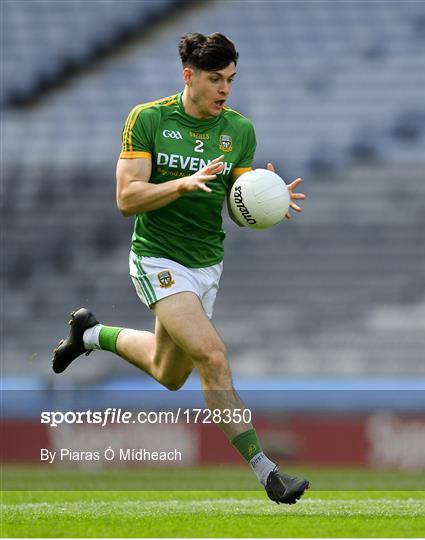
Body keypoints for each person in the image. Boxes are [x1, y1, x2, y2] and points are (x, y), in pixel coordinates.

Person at [53, 32, 308, 504]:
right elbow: (127, 199)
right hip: (157, 257)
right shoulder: (148, 119)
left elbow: (237, 195)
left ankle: (90, 334)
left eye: (231, 79)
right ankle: (268, 472)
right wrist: (181, 184)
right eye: (215, 79)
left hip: (206, 264)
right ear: (189, 76)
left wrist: (269, 194)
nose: (225, 89)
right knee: (212, 355)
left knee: (168, 373)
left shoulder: (239, 131)